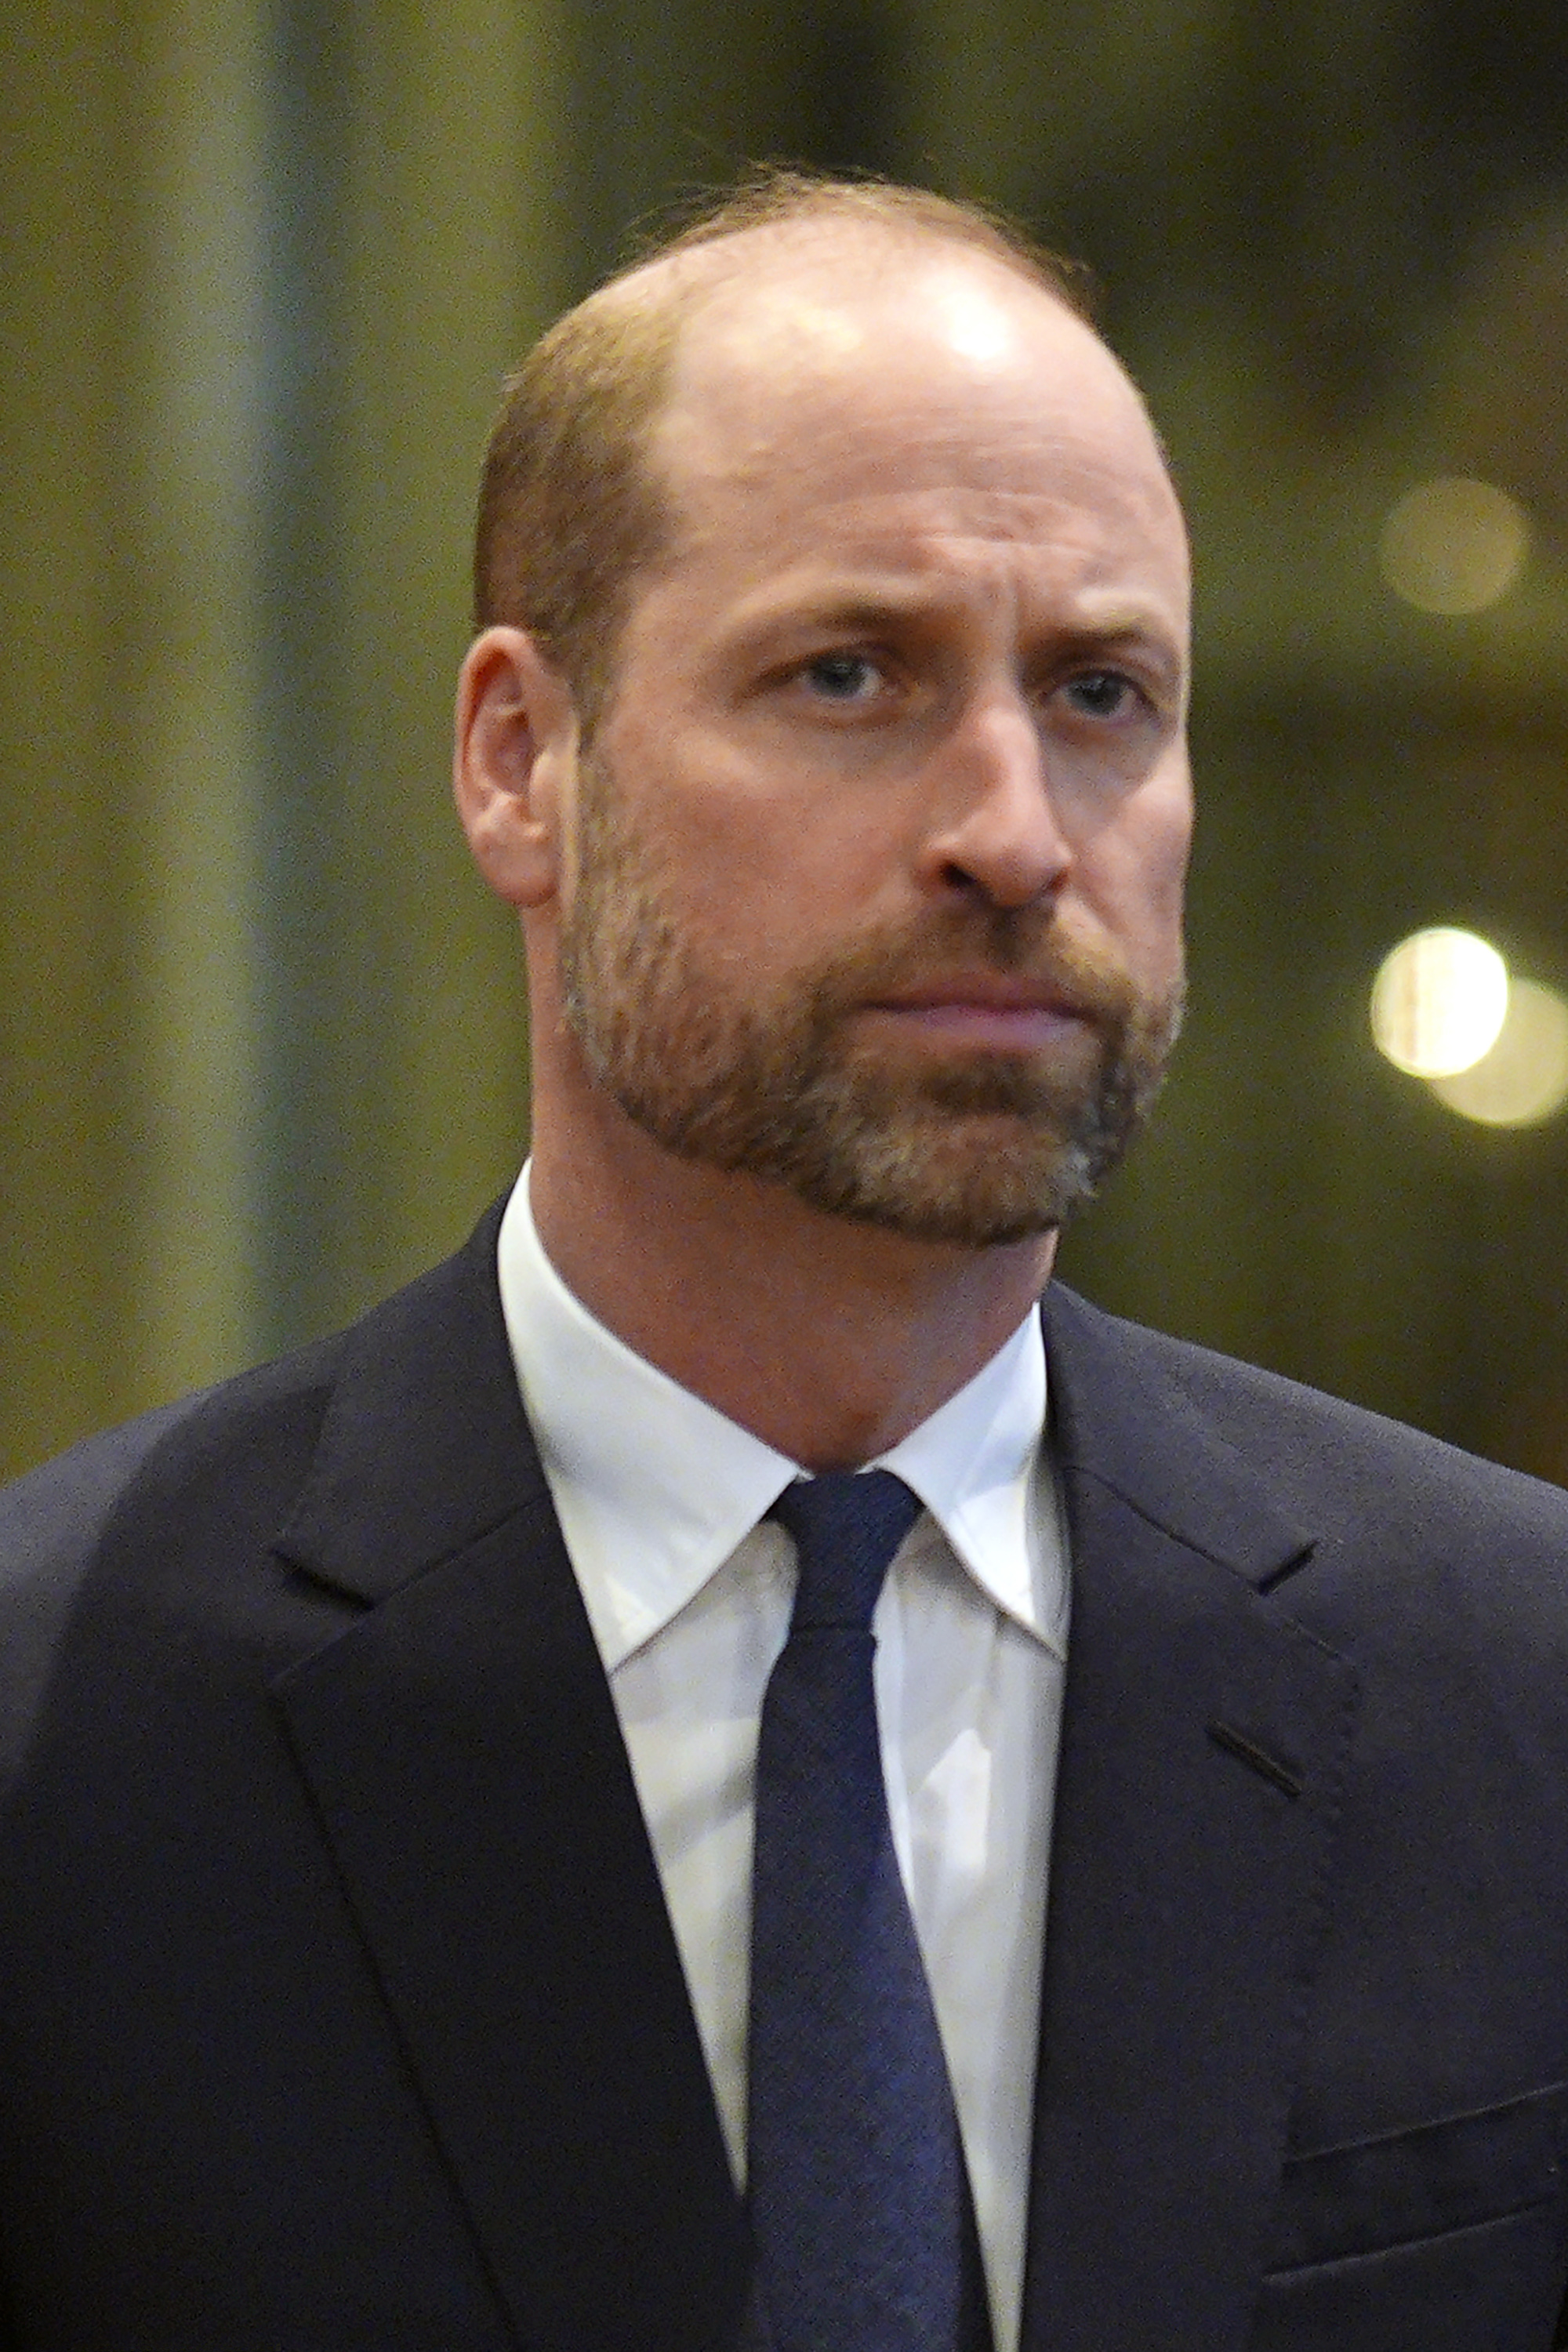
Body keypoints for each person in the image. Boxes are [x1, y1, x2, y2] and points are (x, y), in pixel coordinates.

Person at [2, 172, 1568, 2352]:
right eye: (851, 674)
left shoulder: (1519, 1690)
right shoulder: (59, 1730)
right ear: (521, 763)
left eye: (1103, 692)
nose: (1015, 831)